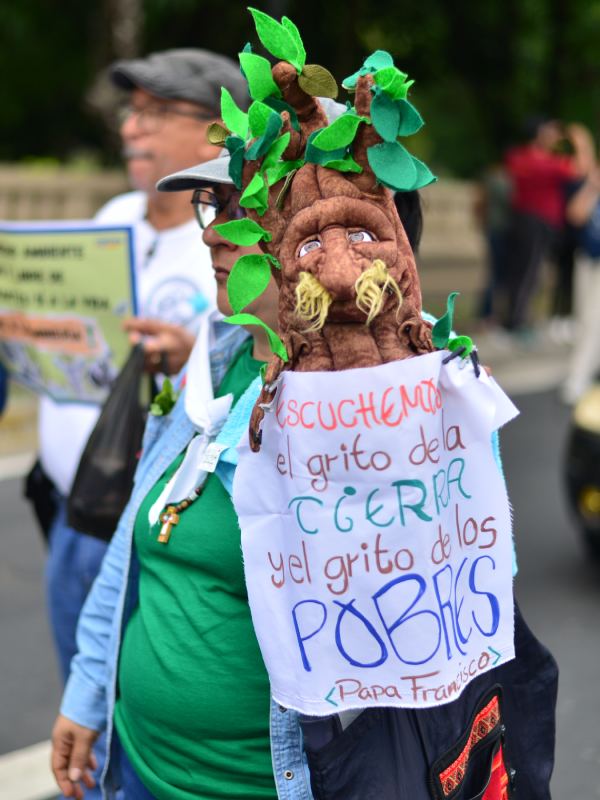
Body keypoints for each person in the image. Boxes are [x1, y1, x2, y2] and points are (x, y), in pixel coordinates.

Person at [503, 117, 591, 332]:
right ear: (539, 133)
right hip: (535, 221)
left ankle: (517, 319)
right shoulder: (542, 161)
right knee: (528, 272)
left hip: (529, 220)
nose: (555, 136)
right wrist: (581, 142)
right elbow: (581, 168)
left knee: (526, 271)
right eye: (550, 131)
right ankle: (516, 323)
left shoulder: (518, 157)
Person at [562, 159, 600, 403]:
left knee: (592, 322)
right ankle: (581, 377)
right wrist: (592, 186)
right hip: (587, 260)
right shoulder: (592, 191)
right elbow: (574, 214)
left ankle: (578, 378)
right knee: (585, 320)